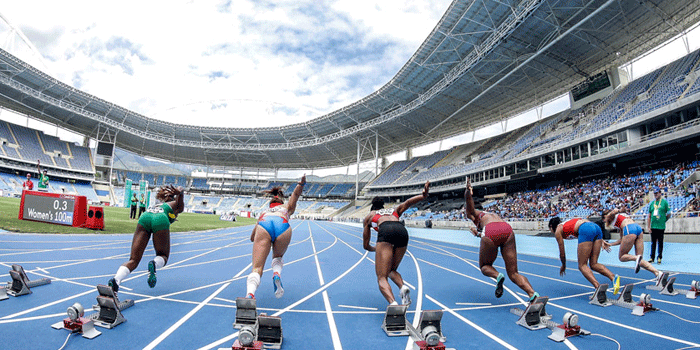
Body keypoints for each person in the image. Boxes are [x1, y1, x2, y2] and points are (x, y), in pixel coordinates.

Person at [465, 178, 539, 302]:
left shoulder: (474, 214)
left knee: (485, 266)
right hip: (506, 229)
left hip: (491, 231)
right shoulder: (491, 215)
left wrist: (467, 192)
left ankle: (497, 276)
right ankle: (533, 294)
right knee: (514, 273)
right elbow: (495, 233)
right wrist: (478, 234)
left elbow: (469, 205)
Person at [363, 181, 430, 306]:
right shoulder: (393, 210)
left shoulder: (370, 216)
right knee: (391, 269)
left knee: (382, 277)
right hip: (402, 231)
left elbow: (365, 245)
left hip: (386, 231)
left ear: (373, 208)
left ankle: (393, 303)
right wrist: (423, 196)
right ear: (383, 207)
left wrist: (376, 249)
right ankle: (402, 287)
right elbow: (408, 203)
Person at [108, 185, 185, 292]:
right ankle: (154, 263)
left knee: (133, 260)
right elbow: (180, 204)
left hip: (145, 217)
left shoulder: (158, 205)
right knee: (163, 256)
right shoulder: (173, 205)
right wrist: (180, 192)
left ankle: (116, 280)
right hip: (160, 219)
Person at [245, 175, 305, 299]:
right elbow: (295, 195)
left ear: (270, 204)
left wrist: (259, 240)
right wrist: (301, 184)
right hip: (282, 224)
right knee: (277, 257)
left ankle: (250, 294)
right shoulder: (286, 207)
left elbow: (252, 237)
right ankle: (276, 273)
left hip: (264, 224)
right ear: (280, 203)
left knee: (257, 268)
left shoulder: (264, 212)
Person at [548, 217, 621, 294]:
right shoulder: (568, 222)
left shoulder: (558, 230)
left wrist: (563, 265)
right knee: (594, 264)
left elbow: (562, 252)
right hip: (596, 228)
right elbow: (587, 223)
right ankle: (613, 277)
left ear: (551, 227)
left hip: (586, 229)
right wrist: (601, 240)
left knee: (582, 265)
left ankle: (598, 287)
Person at [603, 208, 661, 280]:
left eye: (604, 219)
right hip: (637, 228)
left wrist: (616, 211)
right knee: (640, 260)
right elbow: (621, 239)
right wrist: (610, 244)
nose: (604, 221)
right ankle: (657, 273)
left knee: (622, 257)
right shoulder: (620, 219)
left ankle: (636, 258)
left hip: (629, 229)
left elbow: (613, 212)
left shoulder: (611, 217)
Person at [646, 189, 670, 264]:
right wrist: (649, 227)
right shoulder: (652, 203)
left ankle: (659, 257)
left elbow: (669, 214)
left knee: (660, 242)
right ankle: (652, 257)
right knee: (653, 243)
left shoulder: (664, 202)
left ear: (660, 193)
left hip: (661, 226)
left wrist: (664, 220)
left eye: (657, 193)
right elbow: (649, 216)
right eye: (654, 193)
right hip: (653, 226)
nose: (655, 194)